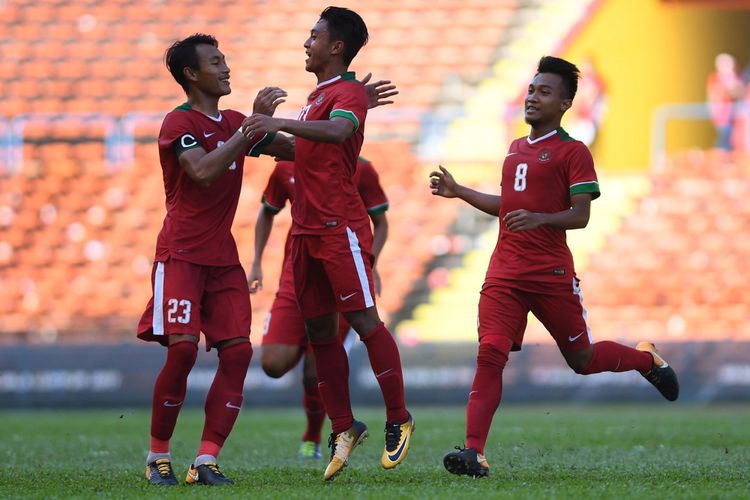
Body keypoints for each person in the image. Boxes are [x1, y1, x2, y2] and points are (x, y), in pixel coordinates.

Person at [429, 56, 679, 479]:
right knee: (490, 353)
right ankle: (475, 453)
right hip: (504, 272)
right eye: (531, 89)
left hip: (551, 274)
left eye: (544, 92)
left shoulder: (574, 152)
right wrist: (460, 191)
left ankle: (645, 361)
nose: (533, 97)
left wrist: (542, 218)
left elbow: (580, 215)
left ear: (564, 103)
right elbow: (509, 207)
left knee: (581, 360)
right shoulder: (513, 150)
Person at [243, 6, 414, 481]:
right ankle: (343, 425)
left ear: (335, 46)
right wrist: (258, 127)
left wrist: (278, 126)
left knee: (363, 320)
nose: (306, 42)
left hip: (340, 227)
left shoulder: (349, 93)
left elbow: (339, 132)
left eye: (313, 35)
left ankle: (399, 417)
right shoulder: (317, 97)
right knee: (320, 337)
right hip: (304, 233)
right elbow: (296, 149)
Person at [136, 33, 293, 487]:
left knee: (239, 351)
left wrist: (342, 120)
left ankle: (205, 460)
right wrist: (250, 130)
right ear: (192, 74)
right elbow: (202, 171)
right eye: (216, 61)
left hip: (223, 258)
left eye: (225, 59)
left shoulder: (237, 123)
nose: (226, 68)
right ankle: (157, 456)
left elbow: (301, 152)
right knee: (183, 348)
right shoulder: (177, 122)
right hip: (181, 254)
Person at [248, 157, 389, 460]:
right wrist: (257, 260)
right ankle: (306, 344)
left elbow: (381, 221)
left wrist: (370, 262)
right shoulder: (286, 166)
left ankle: (312, 436)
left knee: (316, 369)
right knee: (273, 364)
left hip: (339, 276)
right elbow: (267, 211)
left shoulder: (361, 168)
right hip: (295, 275)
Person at [706, 53, 744, 151]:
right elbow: (719, 93)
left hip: (734, 117)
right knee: (724, 140)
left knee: (731, 140)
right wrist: (731, 90)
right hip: (722, 116)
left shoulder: (735, 77)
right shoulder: (715, 78)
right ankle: (718, 156)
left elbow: (739, 91)